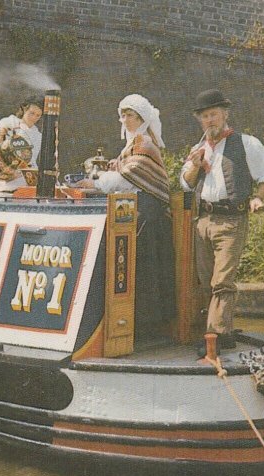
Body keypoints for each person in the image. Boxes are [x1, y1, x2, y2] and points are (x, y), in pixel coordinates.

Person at [180, 89, 264, 347]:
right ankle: (218, 330)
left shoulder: (247, 143)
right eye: (204, 117)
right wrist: (195, 165)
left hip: (231, 221)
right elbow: (186, 184)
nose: (209, 120)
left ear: (225, 115)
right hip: (203, 221)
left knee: (222, 281)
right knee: (205, 281)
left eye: (213, 114)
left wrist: (259, 197)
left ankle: (218, 337)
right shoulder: (197, 149)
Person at [76, 94, 174, 344]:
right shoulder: (132, 144)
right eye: (123, 115)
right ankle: (138, 325)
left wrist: (96, 182)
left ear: (141, 118)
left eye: (131, 115)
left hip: (147, 216)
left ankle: (143, 327)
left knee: (143, 269)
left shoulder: (144, 143)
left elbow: (129, 177)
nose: (125, 119)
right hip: (136, 212)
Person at [0, 96, 44, 194]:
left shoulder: (37, 135)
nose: (34, 118)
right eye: (31, 113)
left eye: (38, 115)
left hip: (22, 174)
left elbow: (31, 160)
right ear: (24, 109)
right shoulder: (8, 122)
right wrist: (0, 137)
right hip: (2, 171)